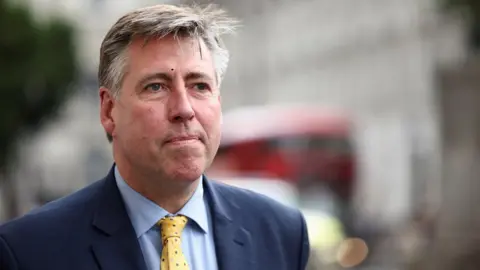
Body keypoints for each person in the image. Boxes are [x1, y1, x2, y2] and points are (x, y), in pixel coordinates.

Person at [0, 4, 310, 270]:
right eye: (156, 87)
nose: (184, 109)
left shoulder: (282, 233)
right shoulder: (29, 251)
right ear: (109, 111)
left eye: (199, 85)